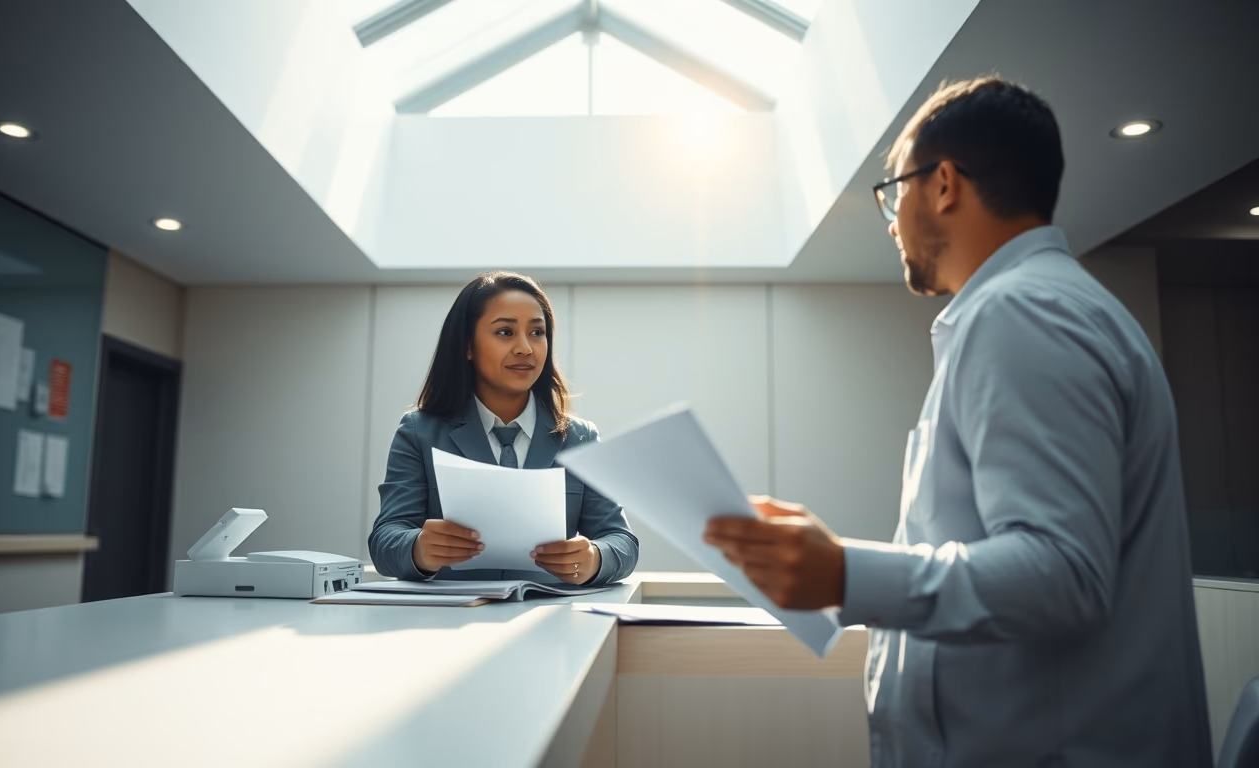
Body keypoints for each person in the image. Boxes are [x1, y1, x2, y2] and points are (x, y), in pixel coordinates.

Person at [703, 77, 1211, 766]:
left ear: (943, 184)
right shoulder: (1043, 308)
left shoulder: (1023, 313)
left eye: (893, 192)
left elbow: (1064, 572)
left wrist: (848, 573)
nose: (890, 221)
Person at [369, 271, 638, 585]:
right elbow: (385, 539)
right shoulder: (418, 431)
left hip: (550, 619)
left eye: (537, 332)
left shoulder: (580, 438)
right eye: (505, 332)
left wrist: (595, 557)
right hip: (450, 620)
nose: (525, 348)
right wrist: (418, 549)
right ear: (467, 346)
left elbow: (622, 542)